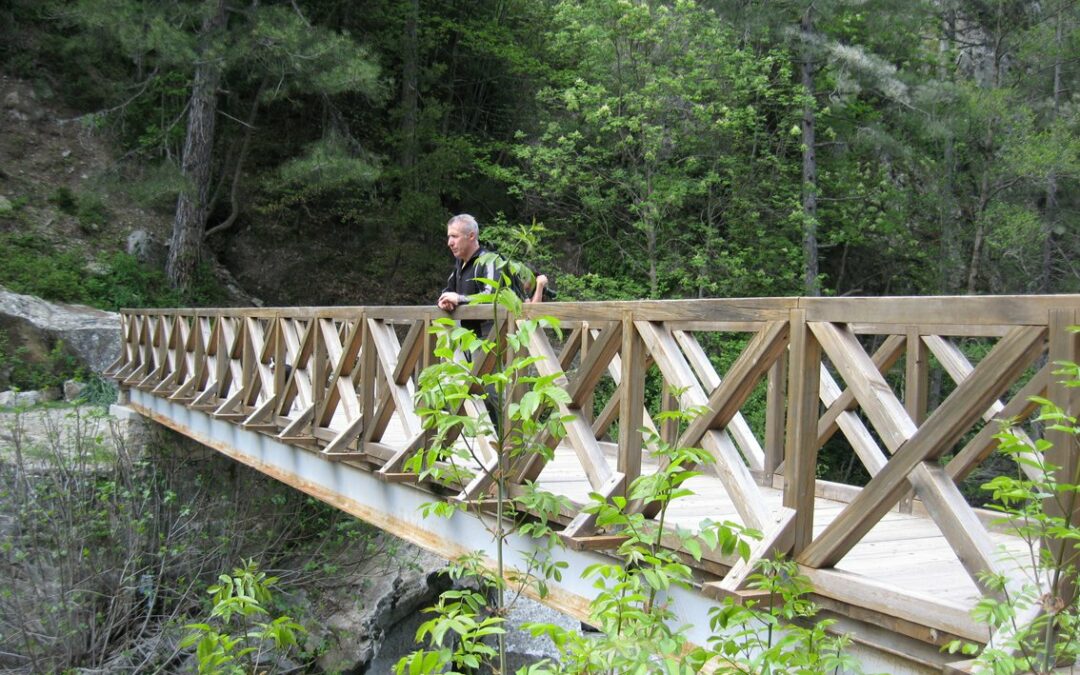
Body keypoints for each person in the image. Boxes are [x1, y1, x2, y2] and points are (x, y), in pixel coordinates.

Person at [438, 213, 495, 337]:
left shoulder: (489, 260)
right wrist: (444, 301)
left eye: (454, 236)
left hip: (490, 341)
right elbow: (448, 291)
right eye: (449, 237)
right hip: (465, 340)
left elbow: (491, 297)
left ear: (471, 236)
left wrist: (459, 299)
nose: (449, 243)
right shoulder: (460, 263)